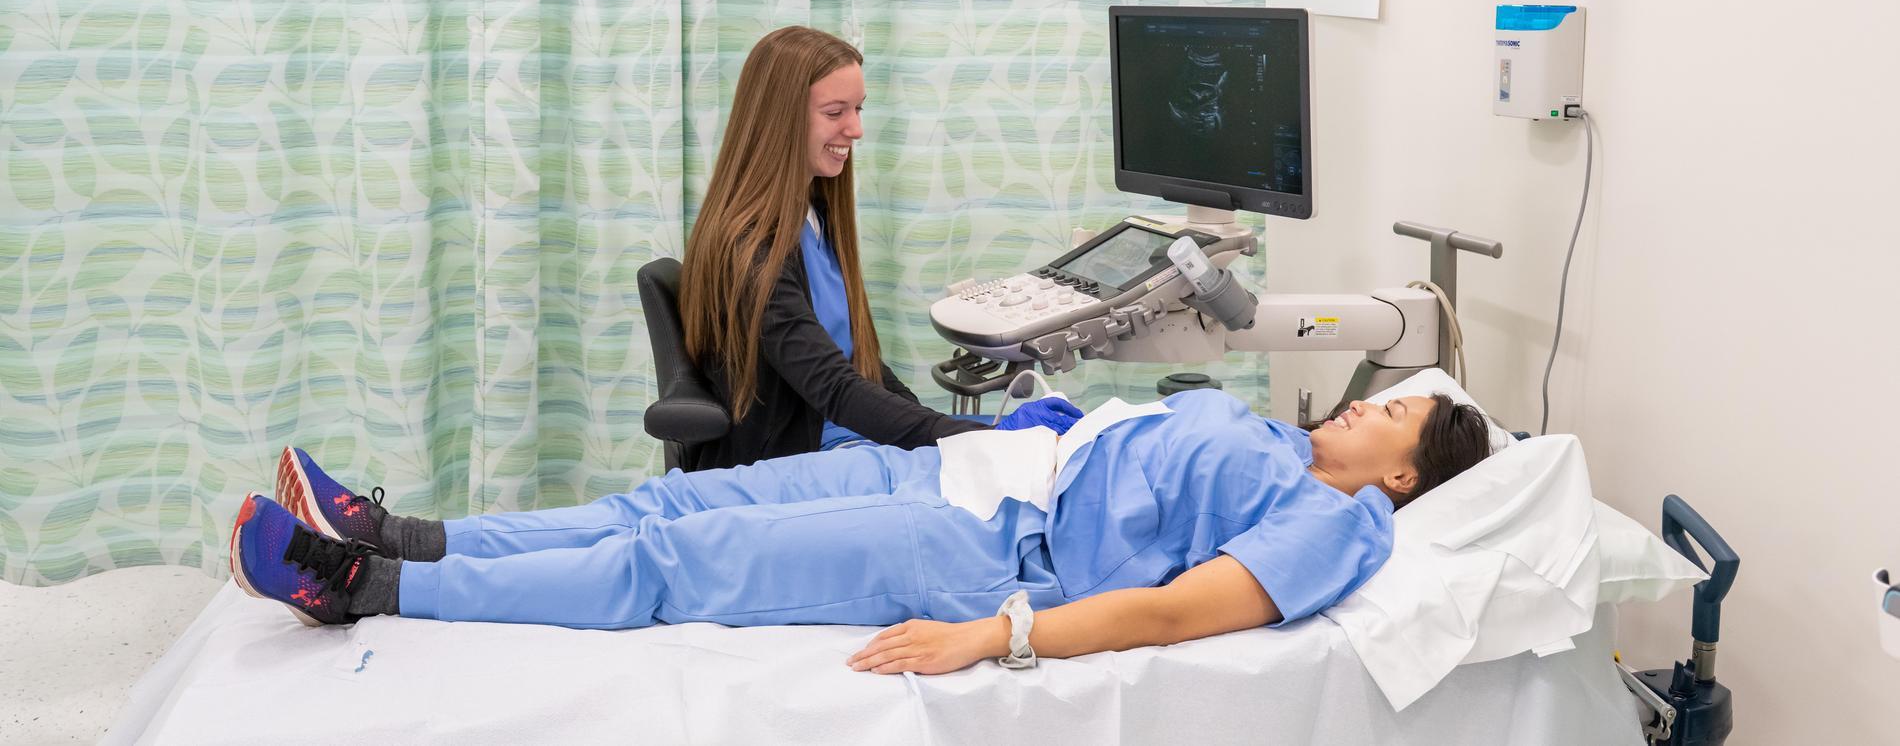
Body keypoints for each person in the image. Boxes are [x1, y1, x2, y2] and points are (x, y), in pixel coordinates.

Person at [232, 389, 1493, 673]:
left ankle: (358, 589)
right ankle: (402, 534)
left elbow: (1174, 612)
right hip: (959, 474)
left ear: (1397, 481)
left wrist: (993, 639)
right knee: (664, 501)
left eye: (1398, 411)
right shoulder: (1272, 433)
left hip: (989, 556)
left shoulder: (1332, 527)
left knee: (673, 567)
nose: (1371, 400)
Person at [674, 25, 1079, 469]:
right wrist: (979, 438)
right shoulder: (749, 249)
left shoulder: (813, 216)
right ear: (779, 119)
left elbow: (859, 368)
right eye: (835, 112)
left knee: (1067, 451)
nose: (857, 129)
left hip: (847, 438)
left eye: (858, 108)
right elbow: (834, 388)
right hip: (809, 458)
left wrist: (951, 430)